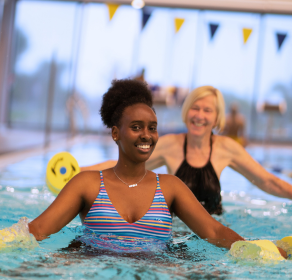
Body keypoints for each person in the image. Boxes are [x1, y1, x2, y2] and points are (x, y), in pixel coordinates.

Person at [28, 79, 246, 252]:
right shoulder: (87, 184)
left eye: (152, 128)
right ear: (115, 133)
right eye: (136, 127)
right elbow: (38, 229)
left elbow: (215, 231)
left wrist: (257, 248)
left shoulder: (171, 187)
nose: (146, 135)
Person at [81, 85, 292, 216]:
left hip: (212, 227)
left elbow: (267, 181)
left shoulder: (226, 148)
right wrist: (79, 171)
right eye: (195, 108)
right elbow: (122, 166)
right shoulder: (170, 145)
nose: (199, 115)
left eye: (207, 110)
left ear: (216, 117)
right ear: (186, 111)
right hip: (176, 231)